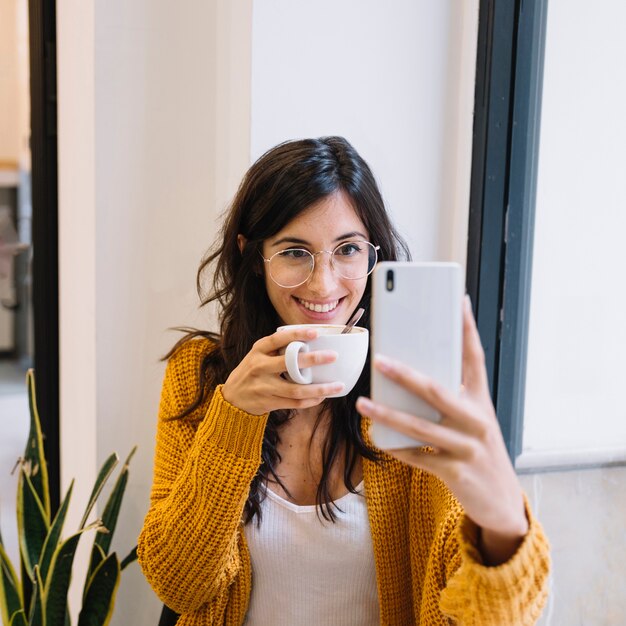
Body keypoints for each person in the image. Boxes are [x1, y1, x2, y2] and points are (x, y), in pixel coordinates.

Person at [138, 136, 550, 626]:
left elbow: (493, 613)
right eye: (295, 252)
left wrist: (502, 517)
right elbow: (179, 585)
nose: (324, 284)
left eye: (348, 249)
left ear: (375, 255)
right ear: (253, 257)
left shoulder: (411, 392)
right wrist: (233, 418)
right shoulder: (202, 376)